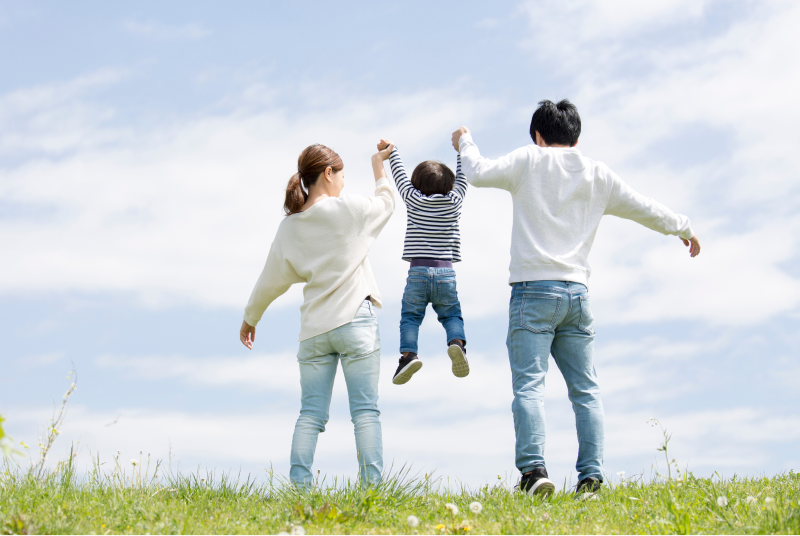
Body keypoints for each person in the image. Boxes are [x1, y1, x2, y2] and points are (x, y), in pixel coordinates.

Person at [451, 100, 701, 497]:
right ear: (577, 138)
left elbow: (477, 172)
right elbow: (643, 207)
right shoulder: (597, 173)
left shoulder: (530, 160)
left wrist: (464, 141)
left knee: (530, 387)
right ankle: (591, 478)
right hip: (577, 295)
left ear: (537, 136)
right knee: (586, 390)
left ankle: (534, 473)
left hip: (533, 291)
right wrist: (682, 227)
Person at [239, 140, 395, 489]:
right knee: (365, 412)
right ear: (328, 173)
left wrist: (251, 318)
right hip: (355, 319)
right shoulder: (348, 210)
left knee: (310, 415)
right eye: (341, 175)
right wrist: (377, 166)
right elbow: (387, 204)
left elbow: (270, 280)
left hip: (314, 331)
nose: (343, 183)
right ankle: (372, 489)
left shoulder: (290, 227)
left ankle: (299, 487)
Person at [386, 143, 469, 385]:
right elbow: (463, 178)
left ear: (417, 184)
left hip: (418, 272)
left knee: (410, 317)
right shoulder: (455, 201)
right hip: (446, 273)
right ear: (449, 185)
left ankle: (409, 355)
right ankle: (457, 343)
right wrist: (461, 149)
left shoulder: (413, 199)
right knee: (452, 314)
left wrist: (392, 151)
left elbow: (399, 176)